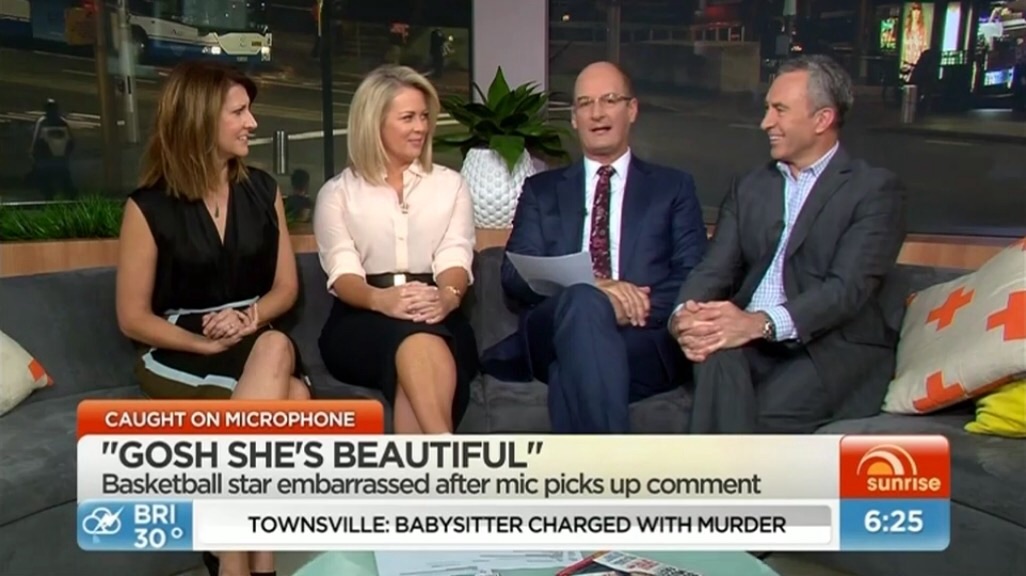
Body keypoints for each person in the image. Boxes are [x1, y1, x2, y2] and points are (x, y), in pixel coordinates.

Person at [115, 60, 307, 576]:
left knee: (276, 348)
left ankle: (231, 557)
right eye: (239, 112)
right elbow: (132, 318)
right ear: (201, 118)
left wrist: (249, 316)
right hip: (177, 349)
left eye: (250, 110)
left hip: (252, 338)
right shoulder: (148, 207)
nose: (252, 123)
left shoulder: (262, 190)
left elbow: (286, 288)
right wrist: (202, 342)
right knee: (293, 398)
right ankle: (253, 561)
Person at [670, 54, 907, 435]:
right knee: (715, 350)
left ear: (822, 119)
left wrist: (760, 323)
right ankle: (728, 472)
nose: (766, 123)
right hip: (749, 344)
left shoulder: (874, 190)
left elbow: (846, 290)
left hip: (826, 348)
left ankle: (718, 470)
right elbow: (713, 269)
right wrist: (686, 316)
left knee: (753, 415)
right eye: (768, 109)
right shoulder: (750, 187)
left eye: (779, 110)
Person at [481, 61, 708, 434]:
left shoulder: (673, 188)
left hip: (640, 336)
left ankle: (593, 468)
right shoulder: (541, 190)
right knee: (584, 300)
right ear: (574, 118)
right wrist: (597, 290)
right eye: (585, 103)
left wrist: (626, 305)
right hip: (552, 329)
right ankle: (611, 466)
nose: (597, 113)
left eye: (609, 100)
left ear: (631, 110)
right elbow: (514, 273)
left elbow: (694, 272)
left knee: (572, 369)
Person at [314, 65, 477, 434]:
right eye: (408, 118)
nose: (421, 127)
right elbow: (343, 273)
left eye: (424, 116)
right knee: (412, 338)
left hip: (437, 310)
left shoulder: (451, 186)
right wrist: (382, 300)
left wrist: (447, 298)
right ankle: (445, 449)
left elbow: (455, 254)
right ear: (374, 123)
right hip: (362, 315)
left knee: (418, 345)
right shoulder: (338, 193)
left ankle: (432, 458)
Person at [29, 98, 76, 200]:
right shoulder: (62, 122)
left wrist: (33, 151)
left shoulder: (43, 121)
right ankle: (70, 197)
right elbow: (71, 140)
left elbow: (36, 138)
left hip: (46, 157)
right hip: (60, 157)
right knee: (64, 178)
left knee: (47, 179)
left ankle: (50, 197)